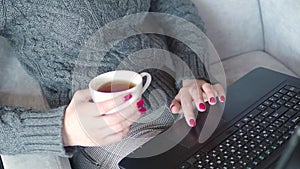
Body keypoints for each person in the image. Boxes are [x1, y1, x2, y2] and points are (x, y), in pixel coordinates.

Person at [0, 0, 226, 168]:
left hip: (178, 99)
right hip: (110, 134)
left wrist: (192, 74)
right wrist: (62, 129)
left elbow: (174, 5)